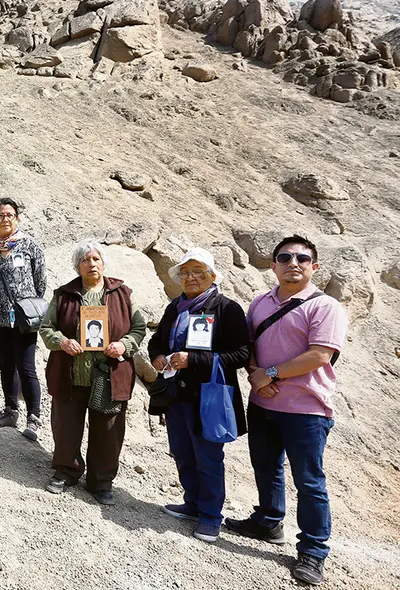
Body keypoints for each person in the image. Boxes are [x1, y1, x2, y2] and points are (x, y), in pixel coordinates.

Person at [224, 235, 347, 586]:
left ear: (314, 266)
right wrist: (255, 375)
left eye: (302, 258)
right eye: (285, 257)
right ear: (274, 264)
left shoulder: (325, 307)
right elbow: (248, 345)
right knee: (265, 465)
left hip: (306, 408)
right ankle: (268, 520)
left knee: (309, 481)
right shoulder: (260, 302)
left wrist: (270, 374)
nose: (293, 263)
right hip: (263, 401)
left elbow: (320, 355)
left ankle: (313, 550)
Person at [147, 248, 249, 543]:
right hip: (176, 394)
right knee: (181, 451)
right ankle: (192, 502)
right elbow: (157, 340)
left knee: (208, 457)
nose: (190, 277)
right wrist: (158, 357)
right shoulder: (175, 307)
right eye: (185, 272)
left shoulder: (227, 309)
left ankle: (210, 516)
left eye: (198, 272)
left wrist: (193, 360)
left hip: (208, 396)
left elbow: (241, 354)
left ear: (212, 276)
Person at [39, 240, 146, 505]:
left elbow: (139, 328)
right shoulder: (63, 295)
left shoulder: (123, 294)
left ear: (103, 263)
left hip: (110, 374)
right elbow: (46, 327)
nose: (91, 264)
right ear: (77, 266)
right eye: (85, 260)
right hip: (71, 373)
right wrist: (62, 342)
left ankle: (101, 481)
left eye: (96, 259)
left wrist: (124, 344)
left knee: (109, 430)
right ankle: (66, 470)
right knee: (65, 426)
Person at [0, 197, 47, 440]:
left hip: (24, 317)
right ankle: (10, 411)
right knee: (6, 365)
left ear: (16, 218)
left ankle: (34, 418)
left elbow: (40, 281)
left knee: (26, 367)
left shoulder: (29, 245)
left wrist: (27, 304)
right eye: (0, 215)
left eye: (9, 215)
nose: (5, 219)